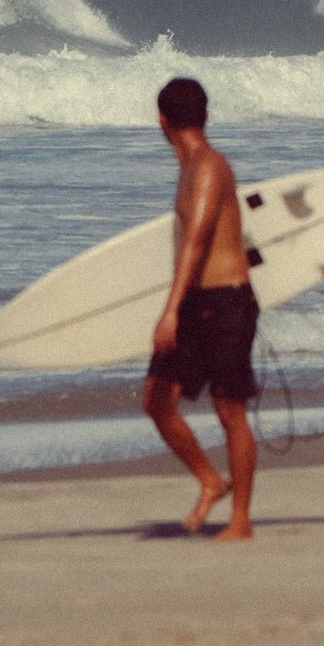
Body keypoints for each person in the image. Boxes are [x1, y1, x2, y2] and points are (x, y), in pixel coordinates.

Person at [141, 76, 260, 540]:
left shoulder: (209, 168)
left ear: (162, 121)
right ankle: (212, 480)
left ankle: (242, 520)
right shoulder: (190, 166)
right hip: (196, 301)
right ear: (205, 117)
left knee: (230, 411)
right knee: (156, 400)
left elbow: (197, 240)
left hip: (226, 302)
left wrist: (169, 311)